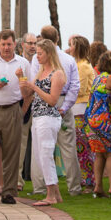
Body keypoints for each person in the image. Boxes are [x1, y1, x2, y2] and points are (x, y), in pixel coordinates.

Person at [28, 26, 81, 196]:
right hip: (62, 100)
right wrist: (66, 107)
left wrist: (61, 107)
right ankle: (74, 188)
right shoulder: (68, 59)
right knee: (67, 147)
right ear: (58, 37)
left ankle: (40, 187)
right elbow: (74, 87)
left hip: (49, 102)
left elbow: (37, 85)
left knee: (41, 149)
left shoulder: (43, 61)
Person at [0, 29, 29, 204]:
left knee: (12, 152)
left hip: (13, 109)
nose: (6, 47)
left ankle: (9, 191)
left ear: (15, 44)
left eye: (9, 44)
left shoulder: (23, 63)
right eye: (3, 44)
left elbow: (28, 90)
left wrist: (22, 110)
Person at [21, 37, 65, 206]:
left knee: (45, 154)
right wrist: (22, 80)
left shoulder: (57, 73)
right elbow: (28, 95)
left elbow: (52, 100)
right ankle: (55, 193)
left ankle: (50, 195)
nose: (37, 56)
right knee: (40, 156)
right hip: (38, 116)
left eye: (40, 53)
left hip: (48, 117)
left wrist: (35, 88)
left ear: (49, 54)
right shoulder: (40, 72)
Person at [81, 49, 111, 199]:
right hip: (102, 120)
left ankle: (98, 187)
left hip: (90, 119)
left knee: (99, 154)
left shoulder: (98, 78)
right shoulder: (110, 78)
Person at [68, 36, 95, 191]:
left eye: (71, 45)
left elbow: (81, 89)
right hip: (77, 107)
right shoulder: (78, 64)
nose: (69, 48)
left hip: (81, 108)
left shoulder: (83, 66)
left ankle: (88, 180)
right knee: (80, 146)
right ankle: (85, 178)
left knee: (82, 147)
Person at [17, 32, 38, 190]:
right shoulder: (19, 63)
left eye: (34, 43)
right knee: (21, 144)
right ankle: (18, 181)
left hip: (40, 106)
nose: (32, 46)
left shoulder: (40, 61)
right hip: (23, 106)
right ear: (23, 45)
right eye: (29, 43)